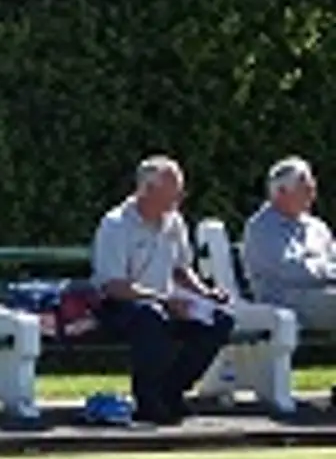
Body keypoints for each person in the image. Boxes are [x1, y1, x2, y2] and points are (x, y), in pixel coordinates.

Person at [90, 155, 235, 425]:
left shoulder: (174, 221)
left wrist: (205, 293)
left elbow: (181, 269)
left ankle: (171, 391)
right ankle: (147, 399)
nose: (178, 200)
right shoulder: (116, 224)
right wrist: (164, 299)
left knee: (220, 320)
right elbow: (113, 285)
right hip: (118, 305)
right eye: (173, 193)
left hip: (163, 300)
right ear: (147, 190)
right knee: (150, 317)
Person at [241, 156, 336, 331]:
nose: (312, 194)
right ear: (281, 192)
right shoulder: (262, 228)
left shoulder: (317, 227)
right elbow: (289, 269)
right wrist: (327, 270)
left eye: (312, 188)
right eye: (305, 189)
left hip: (322, 295)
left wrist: (322, 268)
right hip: (286, 303)